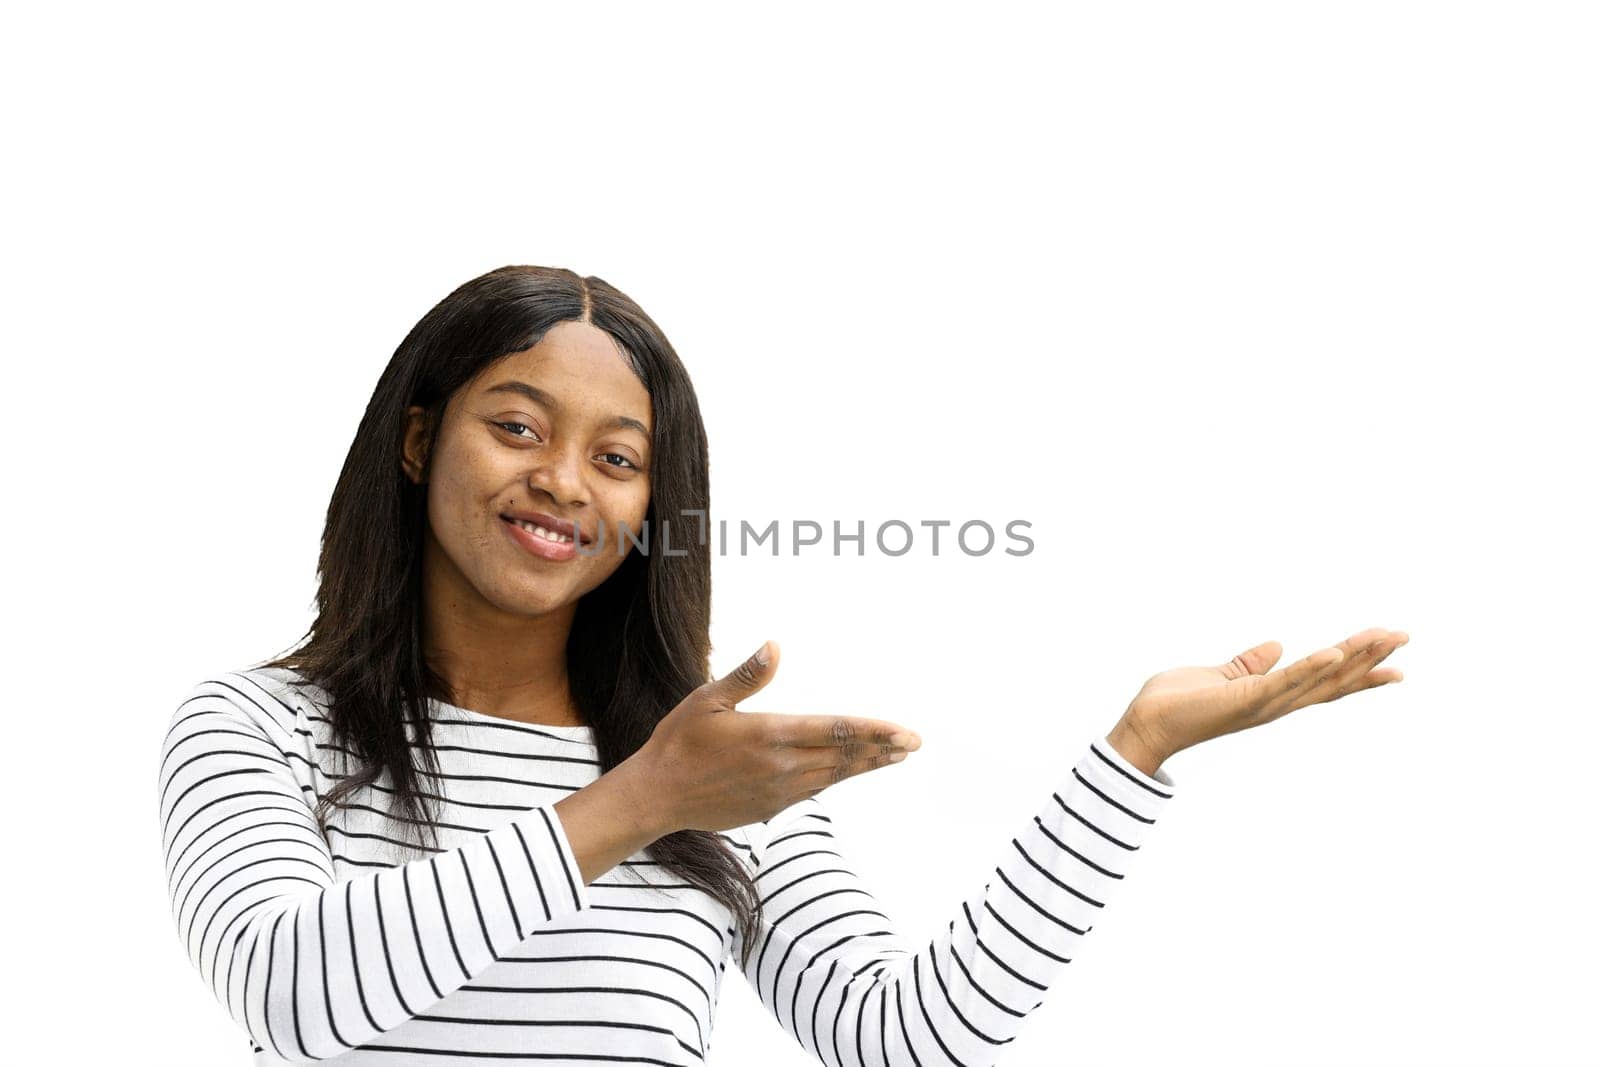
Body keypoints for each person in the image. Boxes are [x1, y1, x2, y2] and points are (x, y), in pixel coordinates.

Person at [156, 264, 1408, 1066]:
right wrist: (634, 803)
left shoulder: (708, 773)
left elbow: (903, 1035)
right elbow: (294, 992)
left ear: (653, 500)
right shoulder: (257, 726)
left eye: (616, 456)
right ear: (423, 439)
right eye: (519, 426)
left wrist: (1132, 755)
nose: (560, 479)